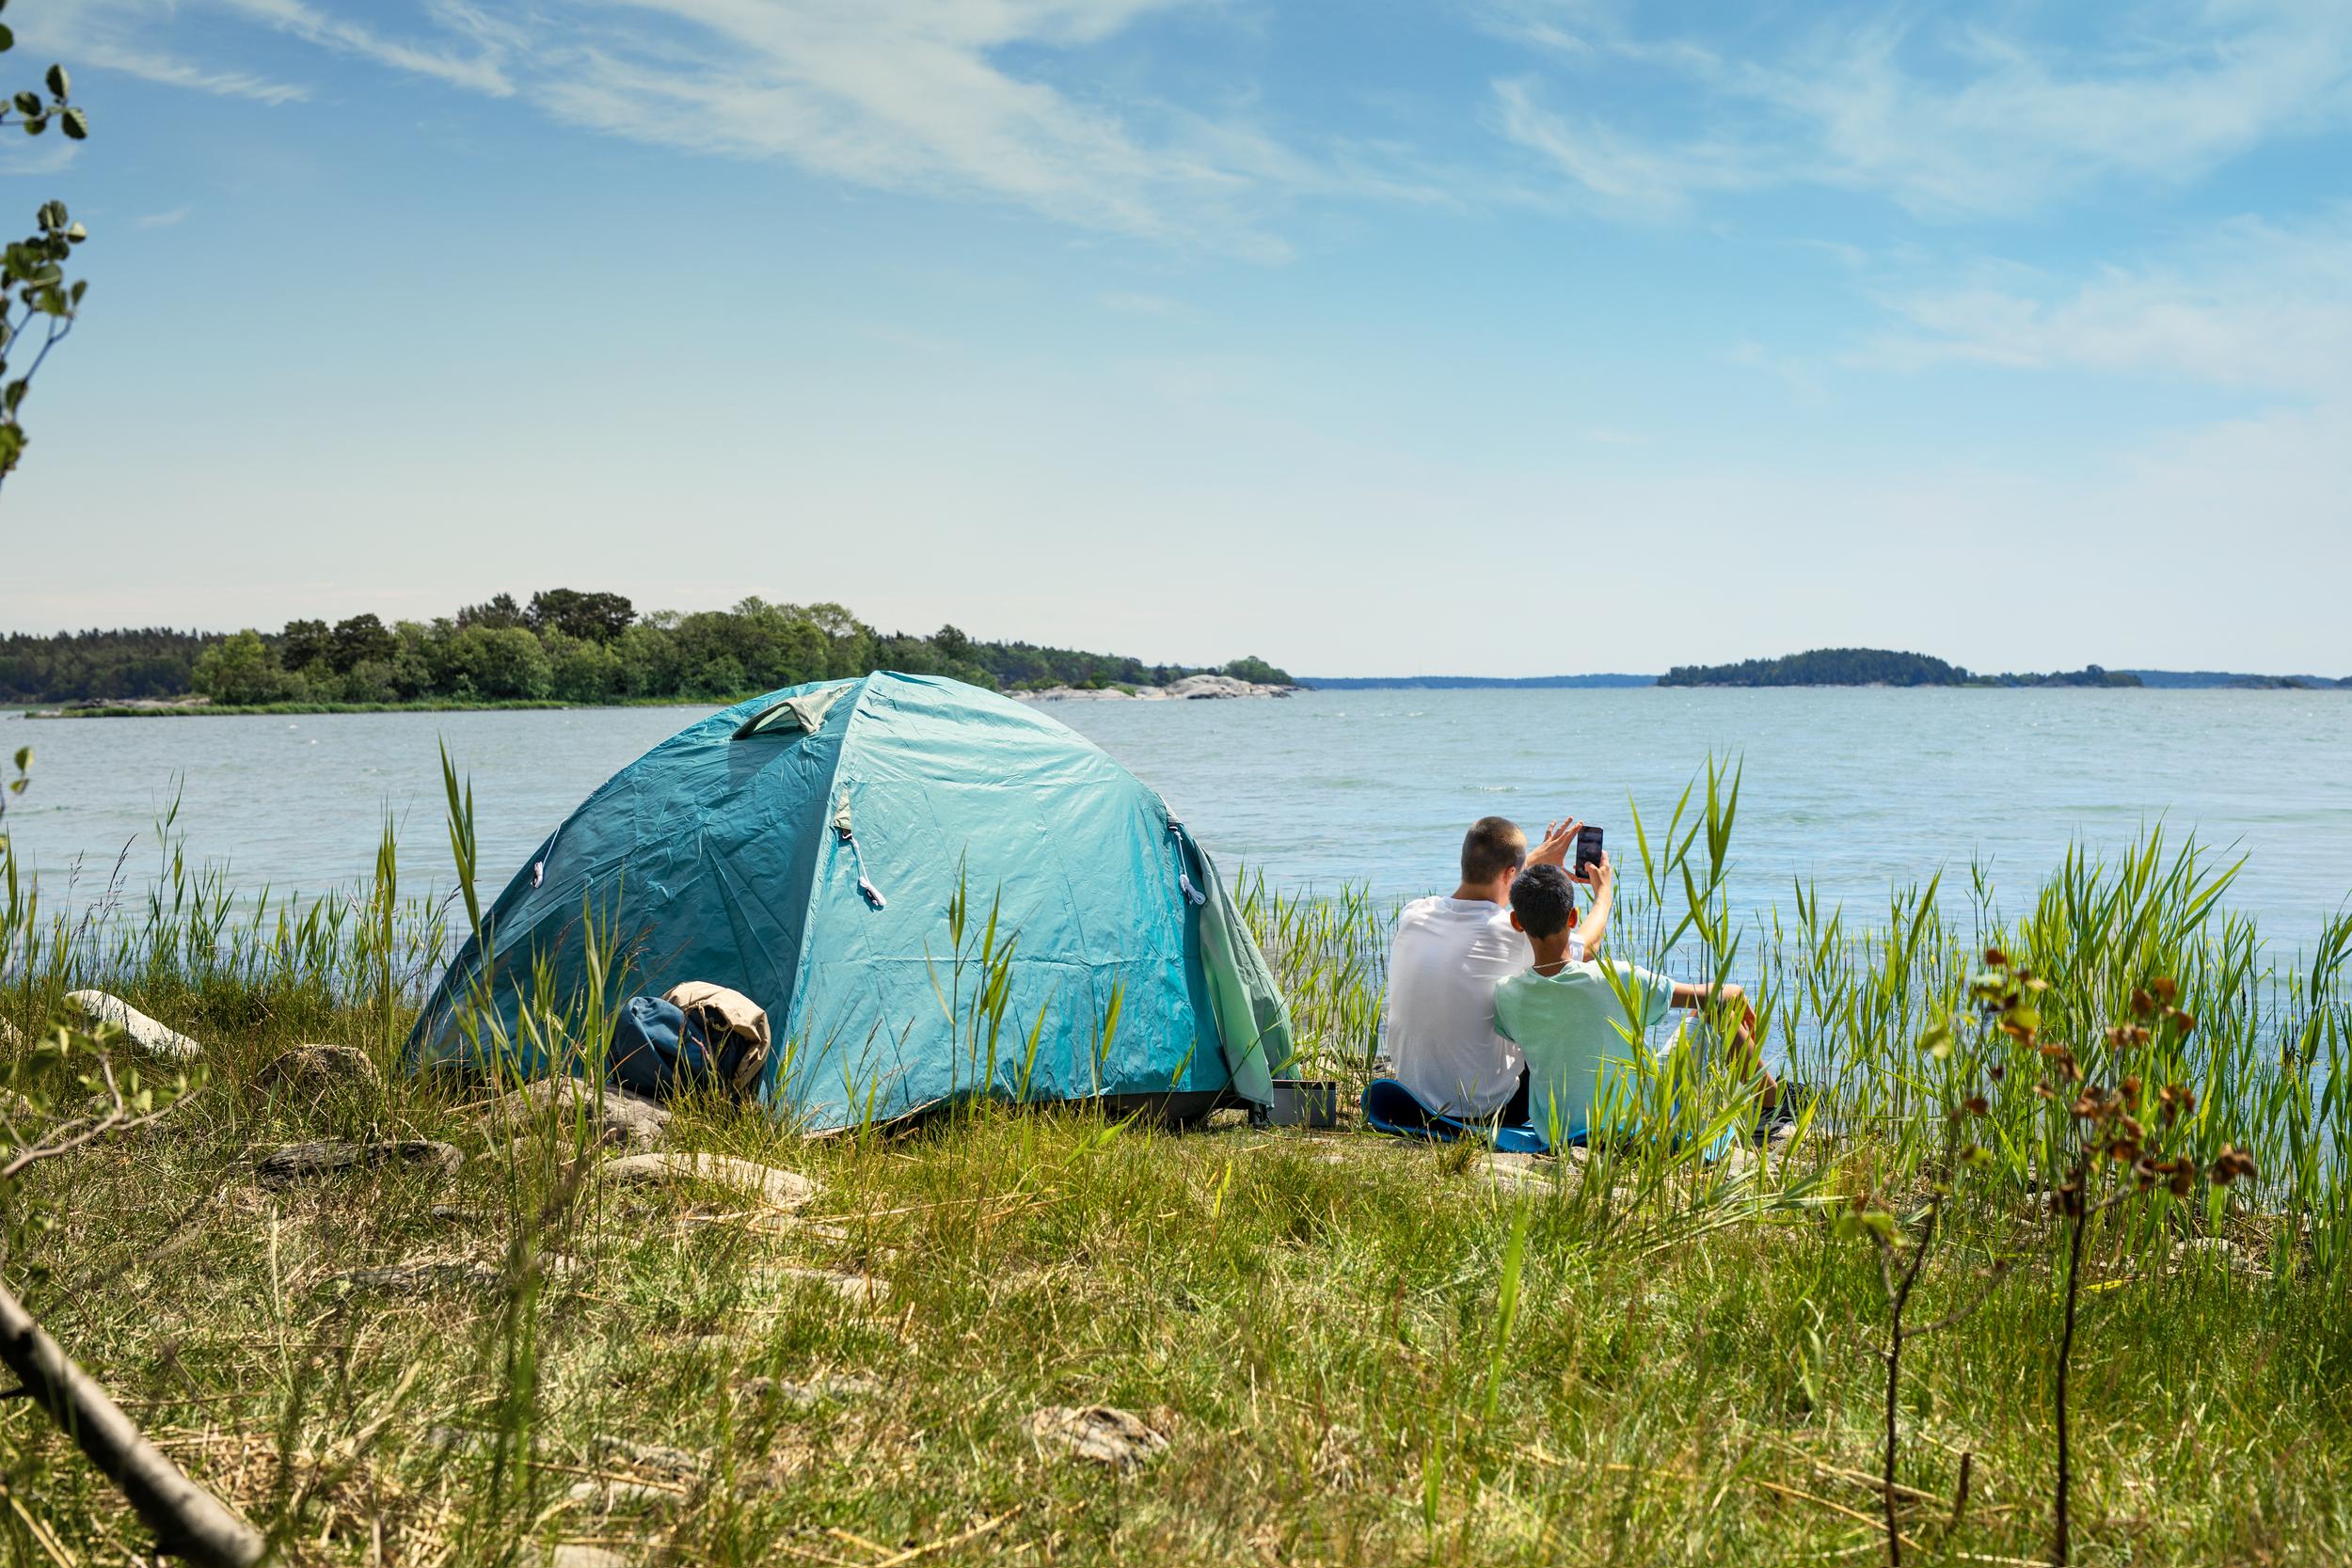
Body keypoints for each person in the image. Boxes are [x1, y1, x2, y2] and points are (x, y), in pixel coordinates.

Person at [1492, 863, 1774, 1149]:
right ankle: (1772, 1104)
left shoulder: (1508, 993)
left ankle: (1769, 1104)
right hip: (1638, 1120)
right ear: (1573, 917)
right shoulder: (1615, 977)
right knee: (1707, 1012)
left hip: (1559, 1131)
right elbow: (1718, 998)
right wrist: (1735, 991)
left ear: (1517, 922)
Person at [1384, 815, 1613, 1121]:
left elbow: (1486, 912)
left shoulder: (1415, 913)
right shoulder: (1512, 932)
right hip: (1483, 1110)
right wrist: (1604, 895)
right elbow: (1586, 948)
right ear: (1510, 874)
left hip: (1412, 1097)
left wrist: (1529, 866)